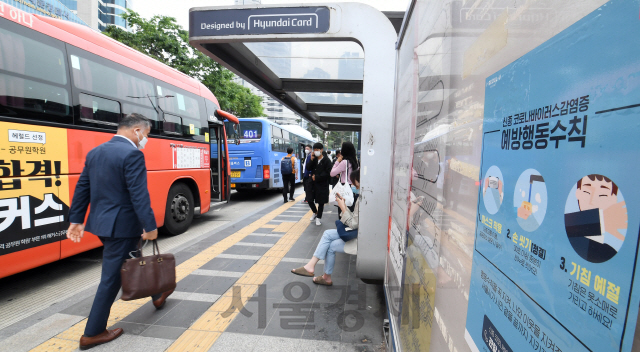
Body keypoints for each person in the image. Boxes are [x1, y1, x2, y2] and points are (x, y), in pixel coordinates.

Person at [67, 114, 173, 350]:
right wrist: (151, 226)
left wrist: (76, 219)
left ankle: (158, 292)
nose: (146, 139)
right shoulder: (132, 154)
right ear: (136, 130)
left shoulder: (96, 152)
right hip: (122, 226)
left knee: (132, 259)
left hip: (102, 224)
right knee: (112, 277)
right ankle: (92, 333)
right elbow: (138, 194)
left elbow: (83, 186)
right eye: (146, 134)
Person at [291, 169, 361, 285]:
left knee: (331, 244)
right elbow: (355, 219)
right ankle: (314, 269)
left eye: (354, 182)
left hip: (359, 236)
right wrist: (343, 206)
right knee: (328, 235)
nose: (352, 184)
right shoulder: (363, 197)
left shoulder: (363, 199)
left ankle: (320, 273)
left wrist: (343, 207)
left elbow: (353, 223)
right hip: (358, 232)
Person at [330, 142, 359, 215]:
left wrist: (337, 161)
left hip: (344, 188)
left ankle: (343, 225)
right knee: (351, 209)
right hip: (353, 188)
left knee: (343, 211)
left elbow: (332, 173)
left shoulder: (344, 162)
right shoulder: (356, 162)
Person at [307, 143, 332, 226]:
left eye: (317, 150)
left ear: (321, 150)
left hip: (322, 184)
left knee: (321, 202)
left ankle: (318, 218)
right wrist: (311, 159)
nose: (316, 151)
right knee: (309, 199)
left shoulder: (327, 160)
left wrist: (317, 177)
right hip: (312, 183)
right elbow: (308, 168)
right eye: (315, 150)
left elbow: (328, 173)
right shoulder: (313, 159)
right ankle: (315, 212)